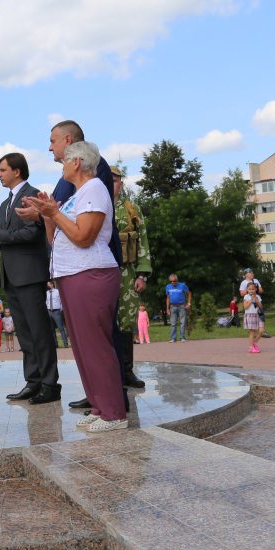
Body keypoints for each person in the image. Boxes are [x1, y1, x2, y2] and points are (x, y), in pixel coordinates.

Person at [20, 141, 126, 433]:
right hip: (73, 275)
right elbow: (56, 241)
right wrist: (48, 214)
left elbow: (84, 237)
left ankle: (114, 413)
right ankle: (99, 407)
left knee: (96, 347)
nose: (62, 165)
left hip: (91, 274)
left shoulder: (93, 188)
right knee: (82, 348)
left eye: (65, 160)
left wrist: (54, 214)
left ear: (77, 162)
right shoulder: (78, 194)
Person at [0, 152, 60, 403]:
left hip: (31, 274)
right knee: (24, 333)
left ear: (17, 171)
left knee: (40, 331)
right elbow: (5, 238)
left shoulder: (33, 197)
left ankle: (49, 385)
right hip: (11, 276)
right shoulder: (5, 204)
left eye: (2, 170)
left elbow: (31, 234)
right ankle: (33, 382)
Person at [111, 166, 151, 387]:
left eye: (115, 180)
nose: (111, 183)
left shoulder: (131, 209)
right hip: (100, 271)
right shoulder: (94, 205)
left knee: (126, 321)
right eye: (107, 179)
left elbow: (143, 240)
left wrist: (142, 274)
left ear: (121, 184)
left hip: (126, 272)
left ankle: (126, 371)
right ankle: (108, 374)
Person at [239, 268, 269, 338]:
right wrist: (250, 290)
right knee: (252, 315)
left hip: (257, 299)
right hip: (249, 300)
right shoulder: (244, 282)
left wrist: (256, 289)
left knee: (261, 313)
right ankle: (253, 333)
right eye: (250, 273)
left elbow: (261, 290)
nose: (252, 274)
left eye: (253, 273)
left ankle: (262, 331)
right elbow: (241, 293)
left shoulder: (256, 280)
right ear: (246, 274)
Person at [166, 274, 191, 342]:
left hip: (182, 306)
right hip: (172, 306)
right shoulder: (168, 287)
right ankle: (173, 338)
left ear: (177, 280)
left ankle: (182, 338)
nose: (172, 282)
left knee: (182, 322)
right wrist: (167, 308)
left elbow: (189, 293)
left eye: (174, 281)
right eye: (171, 281)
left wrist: (189, 303)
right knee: (173, 323)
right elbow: (168, 298)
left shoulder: (182, 285)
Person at [45, 280, 69, 348]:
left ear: (52, 284)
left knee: (61, 328)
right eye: (47, 284)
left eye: (49, 284)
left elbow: (61, 301)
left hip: (56, 311)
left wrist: (60, 310)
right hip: (49, 311)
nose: (48, 285)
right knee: (52, 329)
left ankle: (65, 343)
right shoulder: (47, 293)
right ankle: (55, 344)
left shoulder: (57, 291)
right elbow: (46, 301)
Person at [243, 282, 263, 353]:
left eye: (253, 289)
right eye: (250, 289)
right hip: (250, 315)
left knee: (261, 330)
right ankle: (251, 347)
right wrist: (251, 300)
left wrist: (257, 301)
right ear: (247, 290)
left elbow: (261, 307)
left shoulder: (258, 296)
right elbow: (245, 307)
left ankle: (254, 343)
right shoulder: (246, 297)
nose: (251, 290)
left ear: (256, 289)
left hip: (258, 315)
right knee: (252, 332)